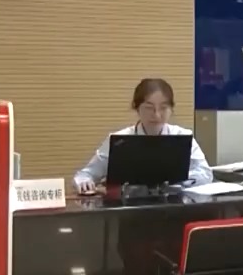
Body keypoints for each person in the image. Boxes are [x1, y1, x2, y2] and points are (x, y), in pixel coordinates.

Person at [73, 78, 214, 194]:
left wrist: (178, 180)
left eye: (163, 108)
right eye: (149, 108)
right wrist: (84, 182)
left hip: (174, 207)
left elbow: (206, 173)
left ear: (171, 109)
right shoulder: (119, 140)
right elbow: (84, 175)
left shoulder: (182, 136)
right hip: (127, 210)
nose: (157, 115)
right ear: (137, 108)